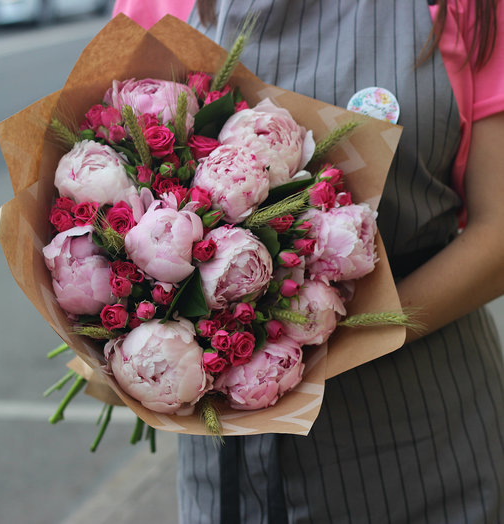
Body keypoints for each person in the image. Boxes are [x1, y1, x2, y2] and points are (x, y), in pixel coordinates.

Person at [114, 0, 504, 522]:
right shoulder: (157, 7)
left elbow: (498, 231)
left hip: (422, 423)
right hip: (228, 449)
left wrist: (318, 335)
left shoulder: (464, 10)